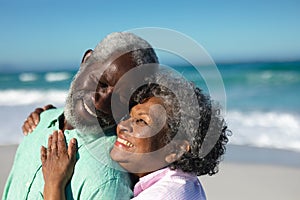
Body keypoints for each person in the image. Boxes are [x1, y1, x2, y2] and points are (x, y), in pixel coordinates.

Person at [2, 32, 159, 200]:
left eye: (120, 98)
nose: (99, 102)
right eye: (100, 81)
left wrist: (54, 186)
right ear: (86, 60)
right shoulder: (40, 122)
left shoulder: (106, 180)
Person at [40, 72, 230, 199]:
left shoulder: (164, 195)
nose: (122, 125)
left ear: (175, 149)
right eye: (128, 117)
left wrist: (53, 184)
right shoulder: (183, 182)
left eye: (141, 121)